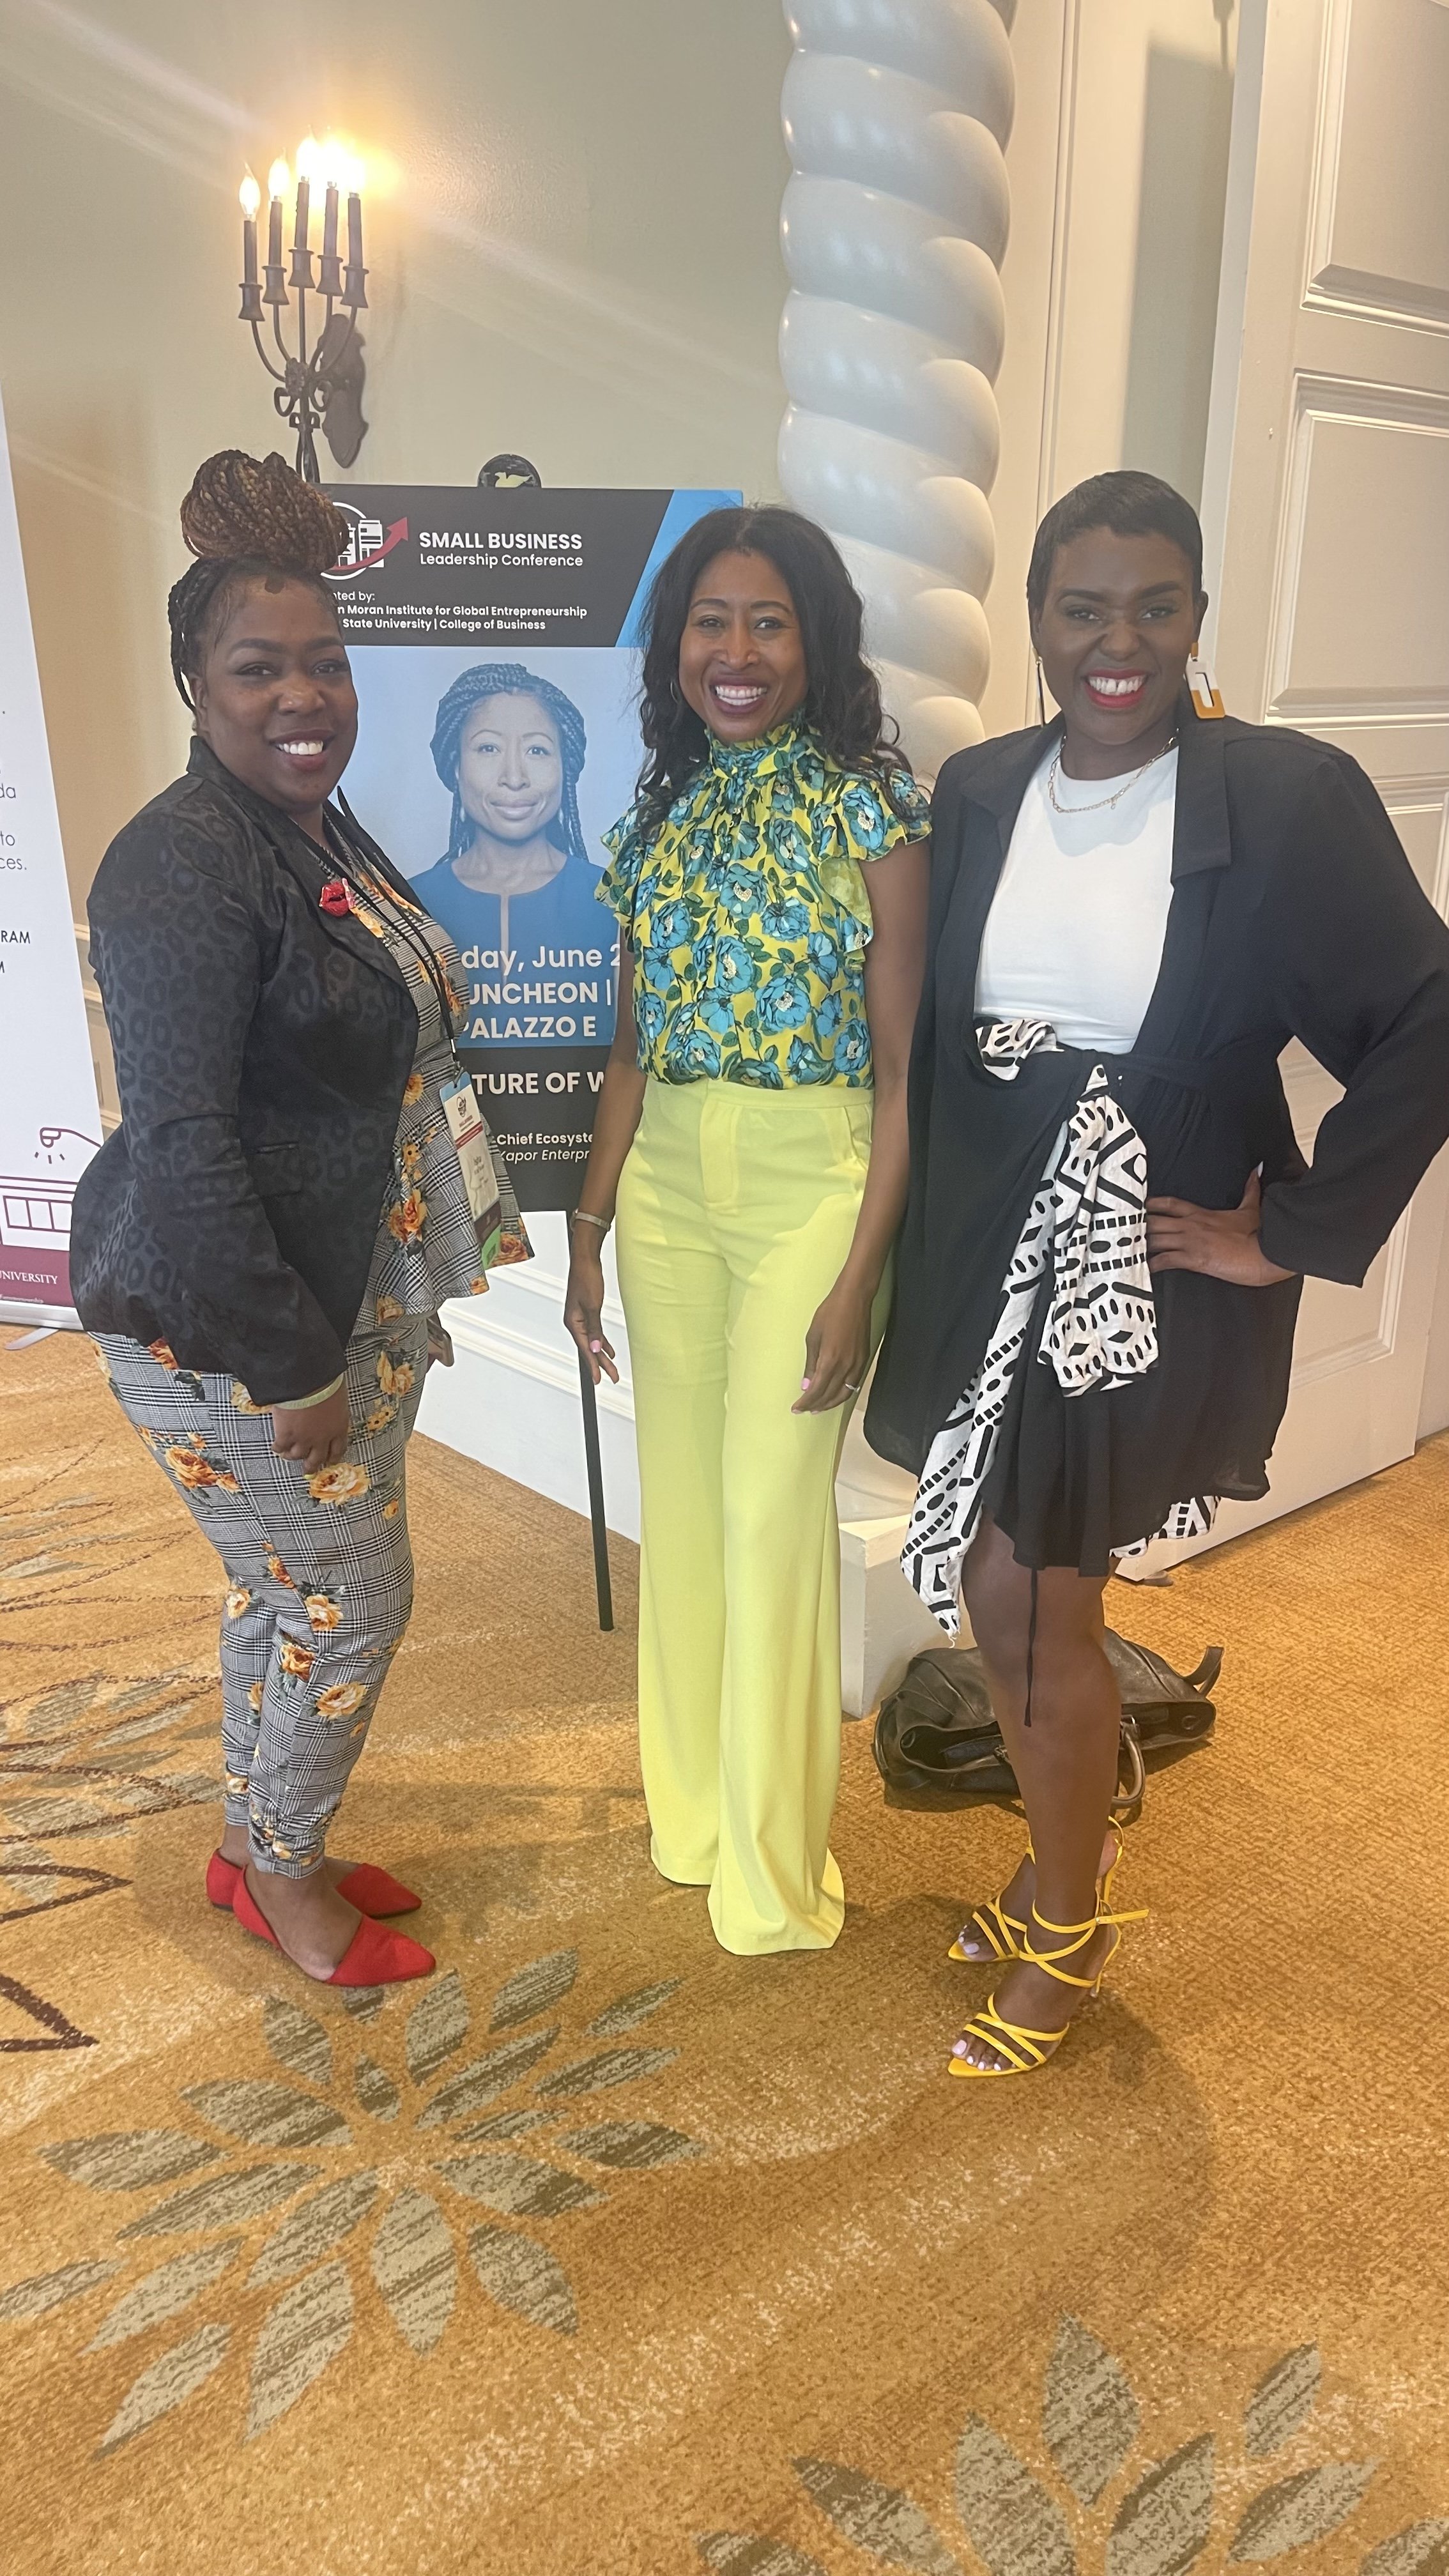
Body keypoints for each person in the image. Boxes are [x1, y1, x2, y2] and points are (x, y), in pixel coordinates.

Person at [866, 468, 1449, 2076]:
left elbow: (1424, 1019)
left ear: (1198, 616)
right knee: (1003, 1584)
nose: (1116, 643)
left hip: (1136, 1248)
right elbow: (935, 1035)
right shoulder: (980, 787)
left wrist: (1296, 1233)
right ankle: (1069, 1850)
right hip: (988, 1231)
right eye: (1081, 609)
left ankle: (1066, 1924)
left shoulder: (1284, 794)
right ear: (1038, 624)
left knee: (1038, 1600)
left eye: (1156, 606)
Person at [70, 450, 528, 1989]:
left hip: (349, 1286)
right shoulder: (179, 867)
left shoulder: (310, 826)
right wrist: (286, 1367)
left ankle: (256, 1840)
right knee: (351, 1601)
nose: (302, 696)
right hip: (238, 1326)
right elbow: (187, 1145)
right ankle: (285, 1880)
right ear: (194, 677)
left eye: (325, 663)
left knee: (291, 1588)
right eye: (259, 667)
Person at [564, 504, 931, 1954]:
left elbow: (908, 1075)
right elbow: (630, 1053)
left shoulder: (872, 812)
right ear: (674, 649)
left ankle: (774, 1882)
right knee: (688, 1510)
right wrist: (587, 1224)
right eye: (709, 622)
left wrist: (863, 1271)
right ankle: (694, 1820)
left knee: (775, 1519)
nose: (735, 651)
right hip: (662, 1186)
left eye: (767, 622)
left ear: (815, 641)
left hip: (812, 1178)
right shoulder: (655, 815)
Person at [410, 662, 597, 966]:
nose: (514, 777)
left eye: (537, 750)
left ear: (566, 766)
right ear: (457, 766)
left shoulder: (612, 902)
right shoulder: (411, 906)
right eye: (488, 748)